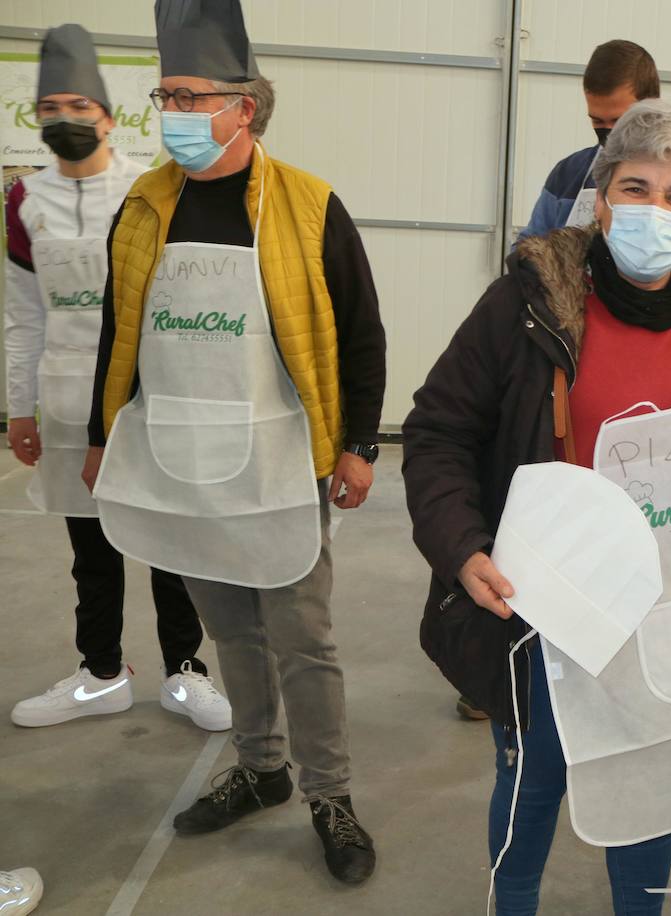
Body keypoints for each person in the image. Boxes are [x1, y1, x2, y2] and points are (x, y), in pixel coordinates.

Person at [403, 99, 671, 915]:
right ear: (602, 199)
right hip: (548, 597)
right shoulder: (525, 304)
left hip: (668, 607)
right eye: (634, 188)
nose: (653, 210)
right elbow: (437, 431)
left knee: (651, 780)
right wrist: (461, 545)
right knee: (534, 774)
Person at [81, 0, 386, 884]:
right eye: (164, 94)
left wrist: (360, 442)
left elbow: (359, 332)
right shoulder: (144, 207)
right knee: (230, 630)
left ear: (242, 105)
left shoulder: (307, 206)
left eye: (188, 95)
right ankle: (261, 767)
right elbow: (119, 328)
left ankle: (329, 792)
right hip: (184, 460)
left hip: (279, 460)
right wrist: (106, 434)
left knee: (301, 636)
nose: (171, 112)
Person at [5, 24, 229, 733]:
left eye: (78, 104)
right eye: (49, 109)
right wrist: (19, 409)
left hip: (148, 397)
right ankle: (101, 672)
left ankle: (185, 671)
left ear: (107, 113)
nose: (65, 120)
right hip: (68, 401)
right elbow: (23, 317)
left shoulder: (149, 190)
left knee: (167, 543)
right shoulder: (23, 204)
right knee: (91, 551)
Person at [515, 39, 671, 271]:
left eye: (619, 120)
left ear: (651, 106)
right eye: (597, 120)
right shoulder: (569, 173)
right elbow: (526, 250)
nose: (608, 132)